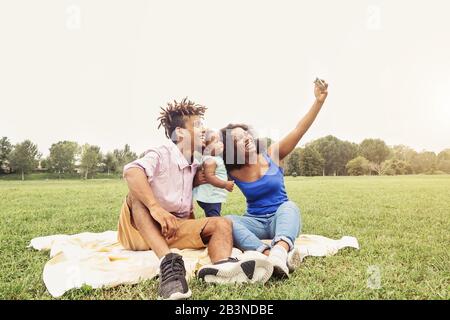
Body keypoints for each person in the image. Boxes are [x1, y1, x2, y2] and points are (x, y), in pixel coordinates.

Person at [117, 98, 273, 300]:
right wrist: (155, 207)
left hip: (173, 227)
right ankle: (169, 265)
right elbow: (131, 171)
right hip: (138, 231)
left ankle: (223, 268)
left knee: (222, 223)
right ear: (180, 132)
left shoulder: (195, 164)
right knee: (135, 195)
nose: (203, 129)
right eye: (197, 125)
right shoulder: (161, 153)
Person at [222, 80, 329, 278]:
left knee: (290, 206)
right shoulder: (232, 171)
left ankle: (280, 251)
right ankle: (267, 253)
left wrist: (318, 102)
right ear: (231, 149)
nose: (244, 138)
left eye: (244, 133)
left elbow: (299, 130)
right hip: (254, 221)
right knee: (226, 221)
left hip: (281, 218)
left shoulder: (272, 154)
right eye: (236, 139)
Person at [193, 129, 234, 217]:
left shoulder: (214, 158)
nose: (221, 143)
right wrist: (225, 184)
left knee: (214, 215)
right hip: (210, 197)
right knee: (214, 218)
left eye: (220, 141)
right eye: (217, 141)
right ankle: (214, 229)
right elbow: (209, 177)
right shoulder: (210, 160)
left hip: (212, 196)